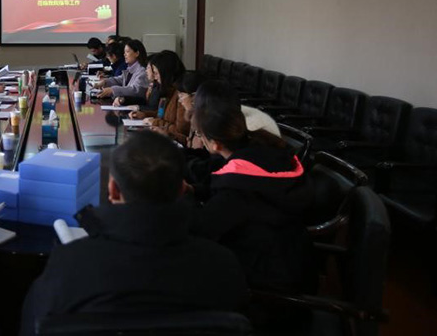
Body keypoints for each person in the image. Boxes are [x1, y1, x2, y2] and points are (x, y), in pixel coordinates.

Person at [19, 131, 248, 335]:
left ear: (113, 190)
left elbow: (34, 325)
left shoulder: (68, 263)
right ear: (183, 189)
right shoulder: (224, 265)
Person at [190, 80, 314, 297]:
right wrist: (194, 190)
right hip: (292, 262)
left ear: (215, 144)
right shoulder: (267, 152)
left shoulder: (238, 186)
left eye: (200, 136)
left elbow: (202, 228)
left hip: (265, 287)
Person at [127, 52, 189, 144]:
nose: (155, 78)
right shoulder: (166, 90)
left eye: (156, 73)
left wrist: (156, 122)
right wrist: (144, 114)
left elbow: (181, 132)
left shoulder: (182, 95)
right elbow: (161, 114)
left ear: (165, 73)